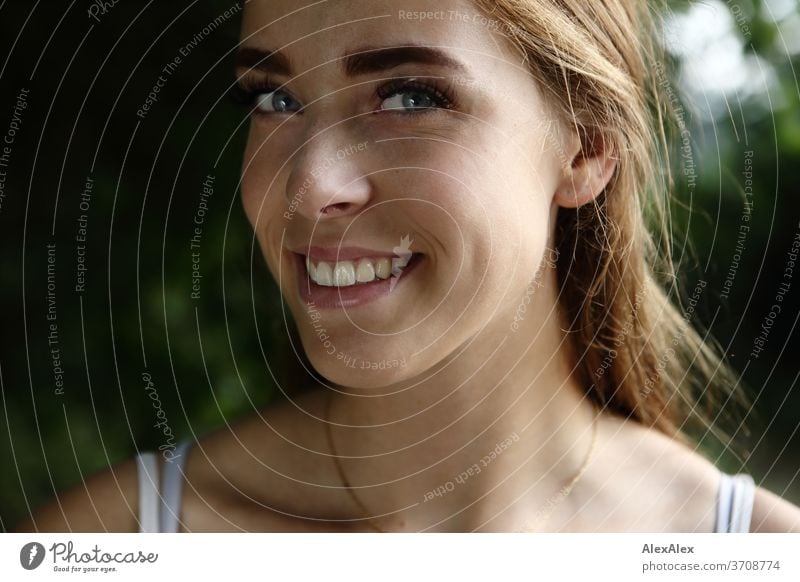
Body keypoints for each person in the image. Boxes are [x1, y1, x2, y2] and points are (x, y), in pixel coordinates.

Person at [19, 0, 800, 533]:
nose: (310, 185)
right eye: (274, 98)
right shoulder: (114, 542)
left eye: (410, 96)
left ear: (587, 145)